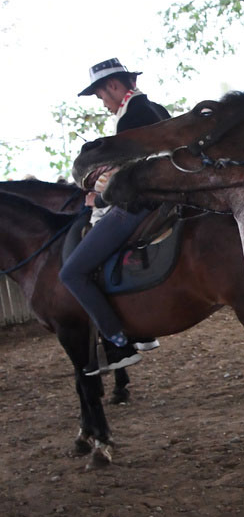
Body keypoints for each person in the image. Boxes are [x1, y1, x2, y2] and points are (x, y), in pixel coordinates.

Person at [60, 59, 170, 374]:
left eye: (101, 96)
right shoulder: (155, 109)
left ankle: (119, 342)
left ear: (113, 86)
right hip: (164, 201)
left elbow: (129, 177)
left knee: (72, 273)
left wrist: (99, 196)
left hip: (141, 204)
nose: (104, 104)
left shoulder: (131, 118)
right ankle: (143, 333)